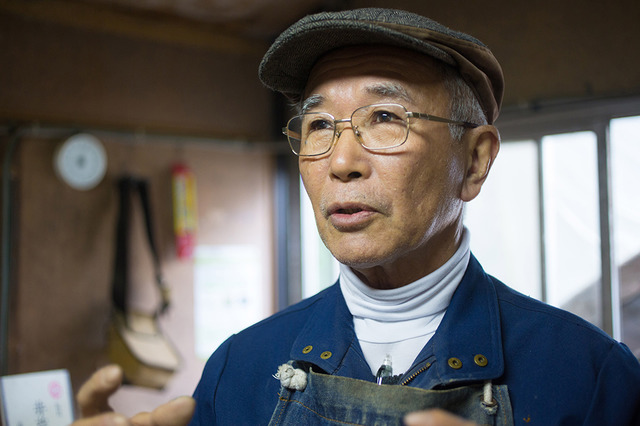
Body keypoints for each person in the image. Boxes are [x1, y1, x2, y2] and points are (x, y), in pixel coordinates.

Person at [72, 8, 640, 426]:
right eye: (319, 126)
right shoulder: (241, 368)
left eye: (386, 117)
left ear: (474, 161)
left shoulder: (588, 377)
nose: (342, 162)